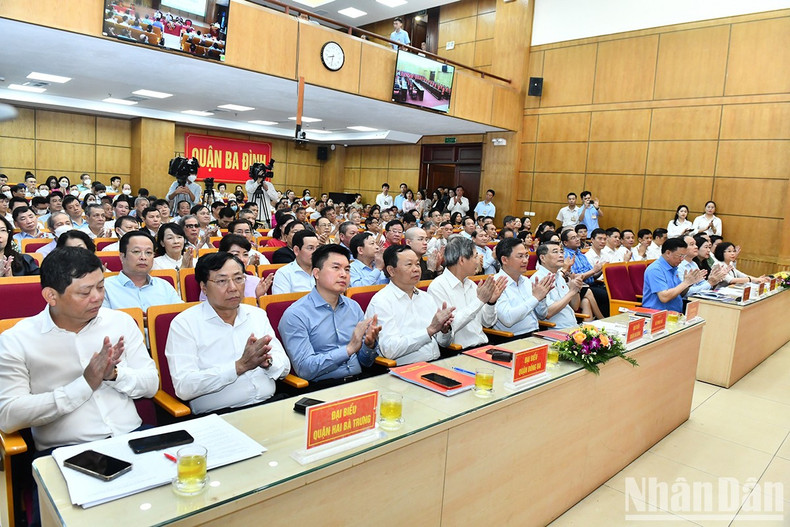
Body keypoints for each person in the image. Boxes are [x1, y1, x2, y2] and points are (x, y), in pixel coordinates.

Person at [0, 247, 158, 451]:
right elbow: (9, 415)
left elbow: (151, 383)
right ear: (51, 296)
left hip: (132, 436)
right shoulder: (17, 340)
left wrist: (114, 375)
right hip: (68, 450)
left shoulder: (121, 322)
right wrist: (84, 384)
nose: (97, 298)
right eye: (85, 292)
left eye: (101, 287)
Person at [165, 252, 290, 415]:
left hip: (270, 405)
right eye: (222, 281)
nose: (233, 288)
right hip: (219, 414)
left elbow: (285, 366)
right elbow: (184, 387)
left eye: (238, 278)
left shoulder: (257, 314)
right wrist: (239, 367)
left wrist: (268, 363)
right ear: (203, 287)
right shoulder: (184, 324)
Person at [279, 245, 382, 385]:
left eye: (347, 269)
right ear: (316, 273)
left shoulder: (353, 307)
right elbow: (304, 369)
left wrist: (368, 346)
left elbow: (365, 362)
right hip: (322, 387)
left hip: (359, 380)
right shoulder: (296, 315)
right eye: (336, 268)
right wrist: (348, 349)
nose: (343, 274)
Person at [427, 237, 506, 349]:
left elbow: (488, 322)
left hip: (483, 346)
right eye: (475, 257)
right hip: (458, 351)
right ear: (462, 260)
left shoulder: (471, 284)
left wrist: (490, 303)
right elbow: (447, 331)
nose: (479, 261)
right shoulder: (438, 287)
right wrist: (480, 301)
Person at [102, 231, 183, 310]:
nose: (143, 257)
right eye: (136, 251)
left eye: (148, 252)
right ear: (122, 256)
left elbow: (180, 315)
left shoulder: (164, 286)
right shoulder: (105, 288)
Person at [493, 238, 553, 337]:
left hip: (536, 333)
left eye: (526, 255)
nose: (525, 260)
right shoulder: (496, 283)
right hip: (512, 338)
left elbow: (542, 315)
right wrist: (535, 298)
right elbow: (508, 319)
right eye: (520, 256)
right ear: (504, 260)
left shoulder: (526, 281)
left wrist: (542, 298)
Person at [198, 235, 274, 301]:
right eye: (235, 255)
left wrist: (259, 298)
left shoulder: (256, 282)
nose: (242, 259)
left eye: (245, 254)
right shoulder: (213, 282)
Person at [642, 237, 705, 312]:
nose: (682, 259)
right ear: (668, 253)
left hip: (675, 314)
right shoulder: (655, 269)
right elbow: (664, 297)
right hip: (657, 314)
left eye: (684, 256)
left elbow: (680, 293)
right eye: (680, 256)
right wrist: (685, 283)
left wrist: (689, 283)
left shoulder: (673, 267)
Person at [533, 242, 586, 328]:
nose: (561, 255)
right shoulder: (538, 279)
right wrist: (571, 292)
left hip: (573, 325)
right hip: (556, 329)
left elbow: (575, 307)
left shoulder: (559, 276)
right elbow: (548, 313)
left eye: (561, 252)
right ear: (542, 258)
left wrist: (576, 289)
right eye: (555, 252)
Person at [271, 229, 318, 294]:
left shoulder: (323, 271)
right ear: (296, 250)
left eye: (317, 248)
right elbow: (282, 303)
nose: (316, 252)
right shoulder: (284, 274)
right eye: (310, 248)